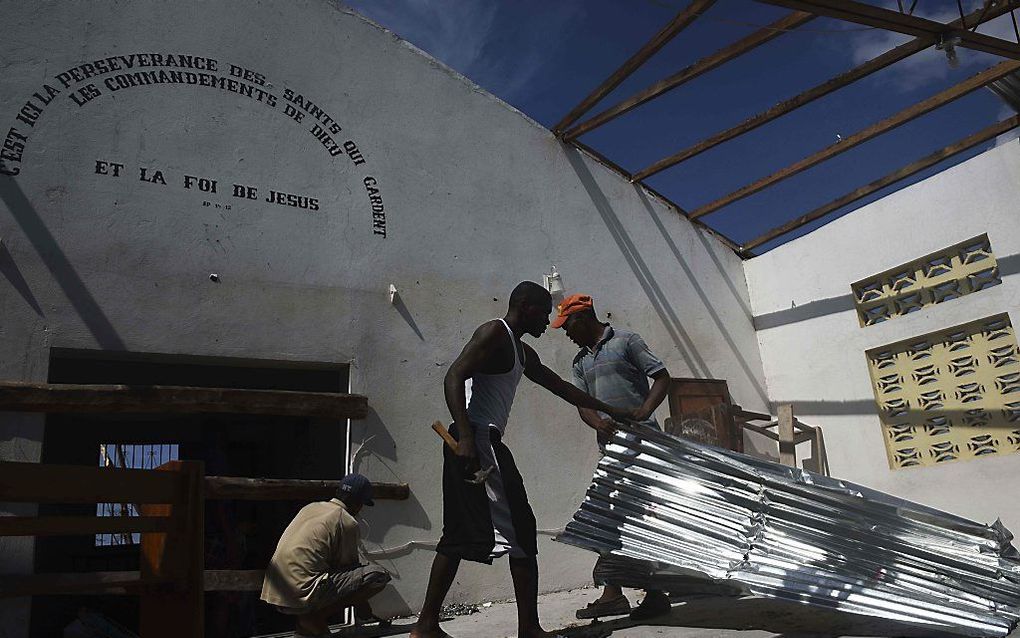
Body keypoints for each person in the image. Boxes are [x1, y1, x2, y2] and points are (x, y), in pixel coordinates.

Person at [410, 281, 636, 638]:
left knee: (459, 533)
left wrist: (610, 408)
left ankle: (425, 627)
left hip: (478, 440)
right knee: (521, 530)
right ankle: (528, 629)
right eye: (545, 312)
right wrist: (467, 437)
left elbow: (559, 386)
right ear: (527, 306)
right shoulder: (493, 333)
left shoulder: (522, 352)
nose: (547, 321)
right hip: (478, 440)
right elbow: (454, 374)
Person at [553, 293, 673, 621]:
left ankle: (653, 593)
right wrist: (599, 424)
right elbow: (583, 404)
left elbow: (661, 377)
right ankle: (614, 592)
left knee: (646, 517)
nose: (565, 333)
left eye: (567, 326)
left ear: (582, 318)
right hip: (612, 452)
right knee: (607, 516)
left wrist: (643, 411)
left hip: (645, 447)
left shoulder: (626, 342)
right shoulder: (579, 362)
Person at [261, 473, 390, 638]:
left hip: (275, 591)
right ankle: (313, 618)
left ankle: (306, 627)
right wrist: (362, 605)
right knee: (377, 576)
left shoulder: (310, 507)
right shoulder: (346, 521)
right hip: (302, 595)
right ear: (358, 503)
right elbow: (349, 573)